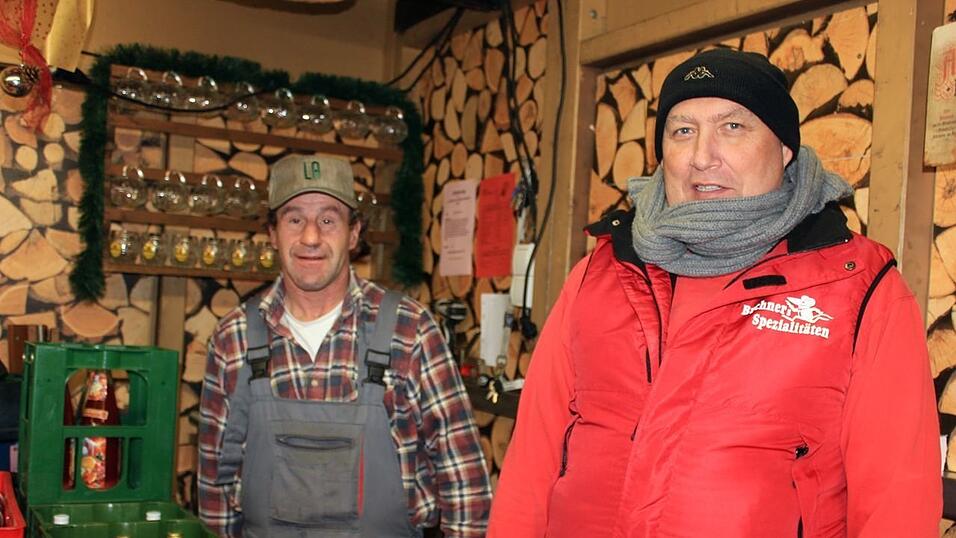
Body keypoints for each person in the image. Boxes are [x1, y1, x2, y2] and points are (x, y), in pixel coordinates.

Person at [488, 48, 942, 537]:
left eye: (733, 127)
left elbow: (897, 502)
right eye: (683, 130)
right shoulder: (600, 274)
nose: (702, 156)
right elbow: (530, 468)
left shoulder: (857, 288)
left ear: (785, 149)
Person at [198, 154, 492, 537]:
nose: (310, 237)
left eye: (327, 219)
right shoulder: (232, 340)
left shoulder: (411, 331)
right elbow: (214, 489)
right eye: (294, 219)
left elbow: (464, 480)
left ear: (354, 234)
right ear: (272, 232)